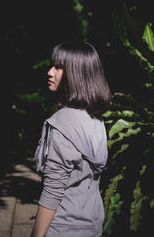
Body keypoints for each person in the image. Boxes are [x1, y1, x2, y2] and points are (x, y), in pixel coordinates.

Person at [30, 40, 111, 237]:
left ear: (77, 74)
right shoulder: (95, 119)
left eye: (59, 67)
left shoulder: (61, 125)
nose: (50, 72)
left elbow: (52, 192)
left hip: (62, 229)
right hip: (92, 226)